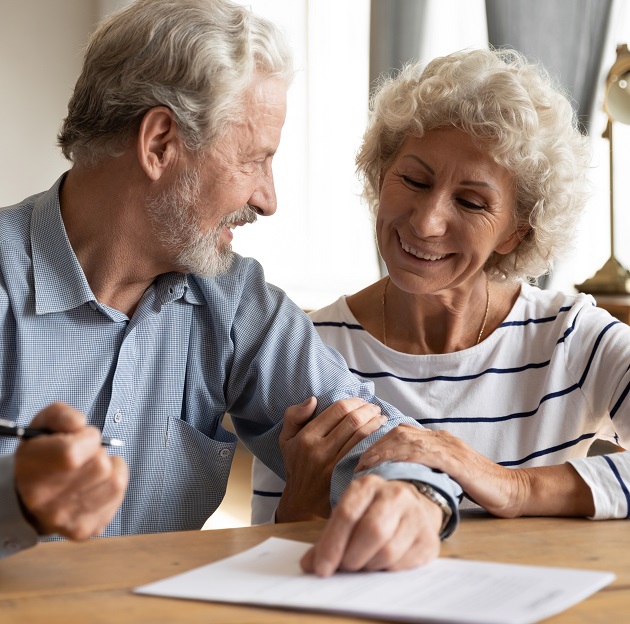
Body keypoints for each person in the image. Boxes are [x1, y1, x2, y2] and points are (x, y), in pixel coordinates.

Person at [0, 0, 464, 575]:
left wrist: (416, 497)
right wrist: (12, 497)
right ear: (160, 142)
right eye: (254, 161)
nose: (268, 200)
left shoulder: (235, 301)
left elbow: (371, 428)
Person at [252, 47, 630, 525]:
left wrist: (513, 486)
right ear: (381, 173)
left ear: (517, 230)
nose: (427, 223)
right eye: (413, 179)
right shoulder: (304, 349)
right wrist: (304, 505)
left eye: (471, 203)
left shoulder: (573, 339)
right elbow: (267, 571)